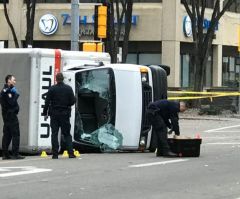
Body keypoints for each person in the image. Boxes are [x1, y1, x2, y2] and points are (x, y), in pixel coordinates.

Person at [43, 73, 76, 159]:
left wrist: (45, 113)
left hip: (54, 114)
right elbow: (72, 101)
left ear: (56, 79)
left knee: (54, 133)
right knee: (67, 134)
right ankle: (71, 153)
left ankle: (55, 154)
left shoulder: (52, 89)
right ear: (63, 79)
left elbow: (46, 102)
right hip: (65, 114)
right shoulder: (68, 88)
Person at [0, 75, 25, 160]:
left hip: (7, 116)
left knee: (7, 134)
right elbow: (11, 102)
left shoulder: (6, 90)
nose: (15, 81)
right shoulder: (7, 91)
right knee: (15, 134)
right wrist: (16, 94)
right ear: (9, 81)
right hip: (11, 116)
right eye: (13, 80)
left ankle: (5, 154)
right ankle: (15, 154)